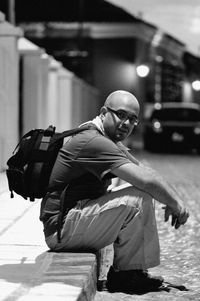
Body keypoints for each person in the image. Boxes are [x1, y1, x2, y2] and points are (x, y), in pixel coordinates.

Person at [40, 90, 189, 293]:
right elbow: (146, 181)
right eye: (121, 115)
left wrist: (170, 200)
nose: (126, 123)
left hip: (72, 221)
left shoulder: (105, 138)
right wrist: (177, 206)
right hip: (62, 230)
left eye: (133, 119)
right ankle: (126, 276)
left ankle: (131, 272)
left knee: (140, 193)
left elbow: (144, 172)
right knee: (136, 198)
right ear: (103, 112)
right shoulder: (93, 141)